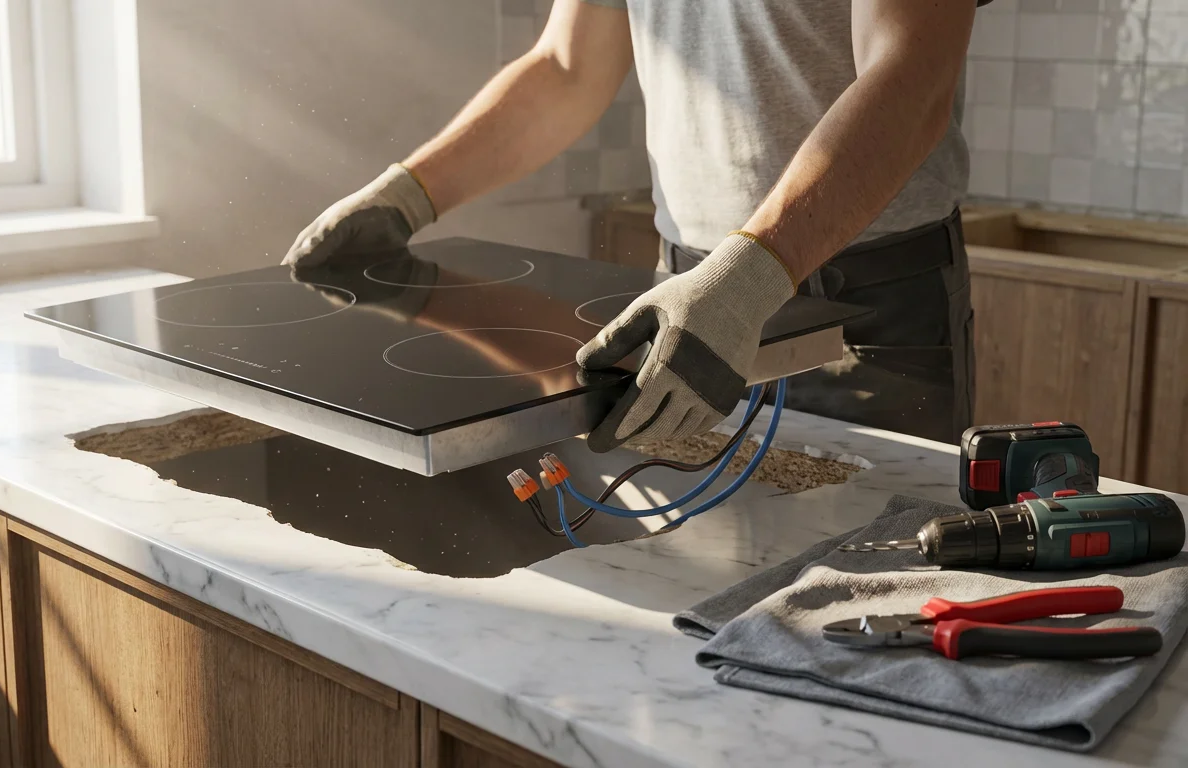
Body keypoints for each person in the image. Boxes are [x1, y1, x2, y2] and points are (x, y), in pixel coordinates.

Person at [284, 0, 988, 451]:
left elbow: (912, 76)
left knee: (866, 577)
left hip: (860, 301)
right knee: (692, 565)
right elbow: (566, 69)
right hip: (685, 289)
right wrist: (408, 194)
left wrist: (743, 285)